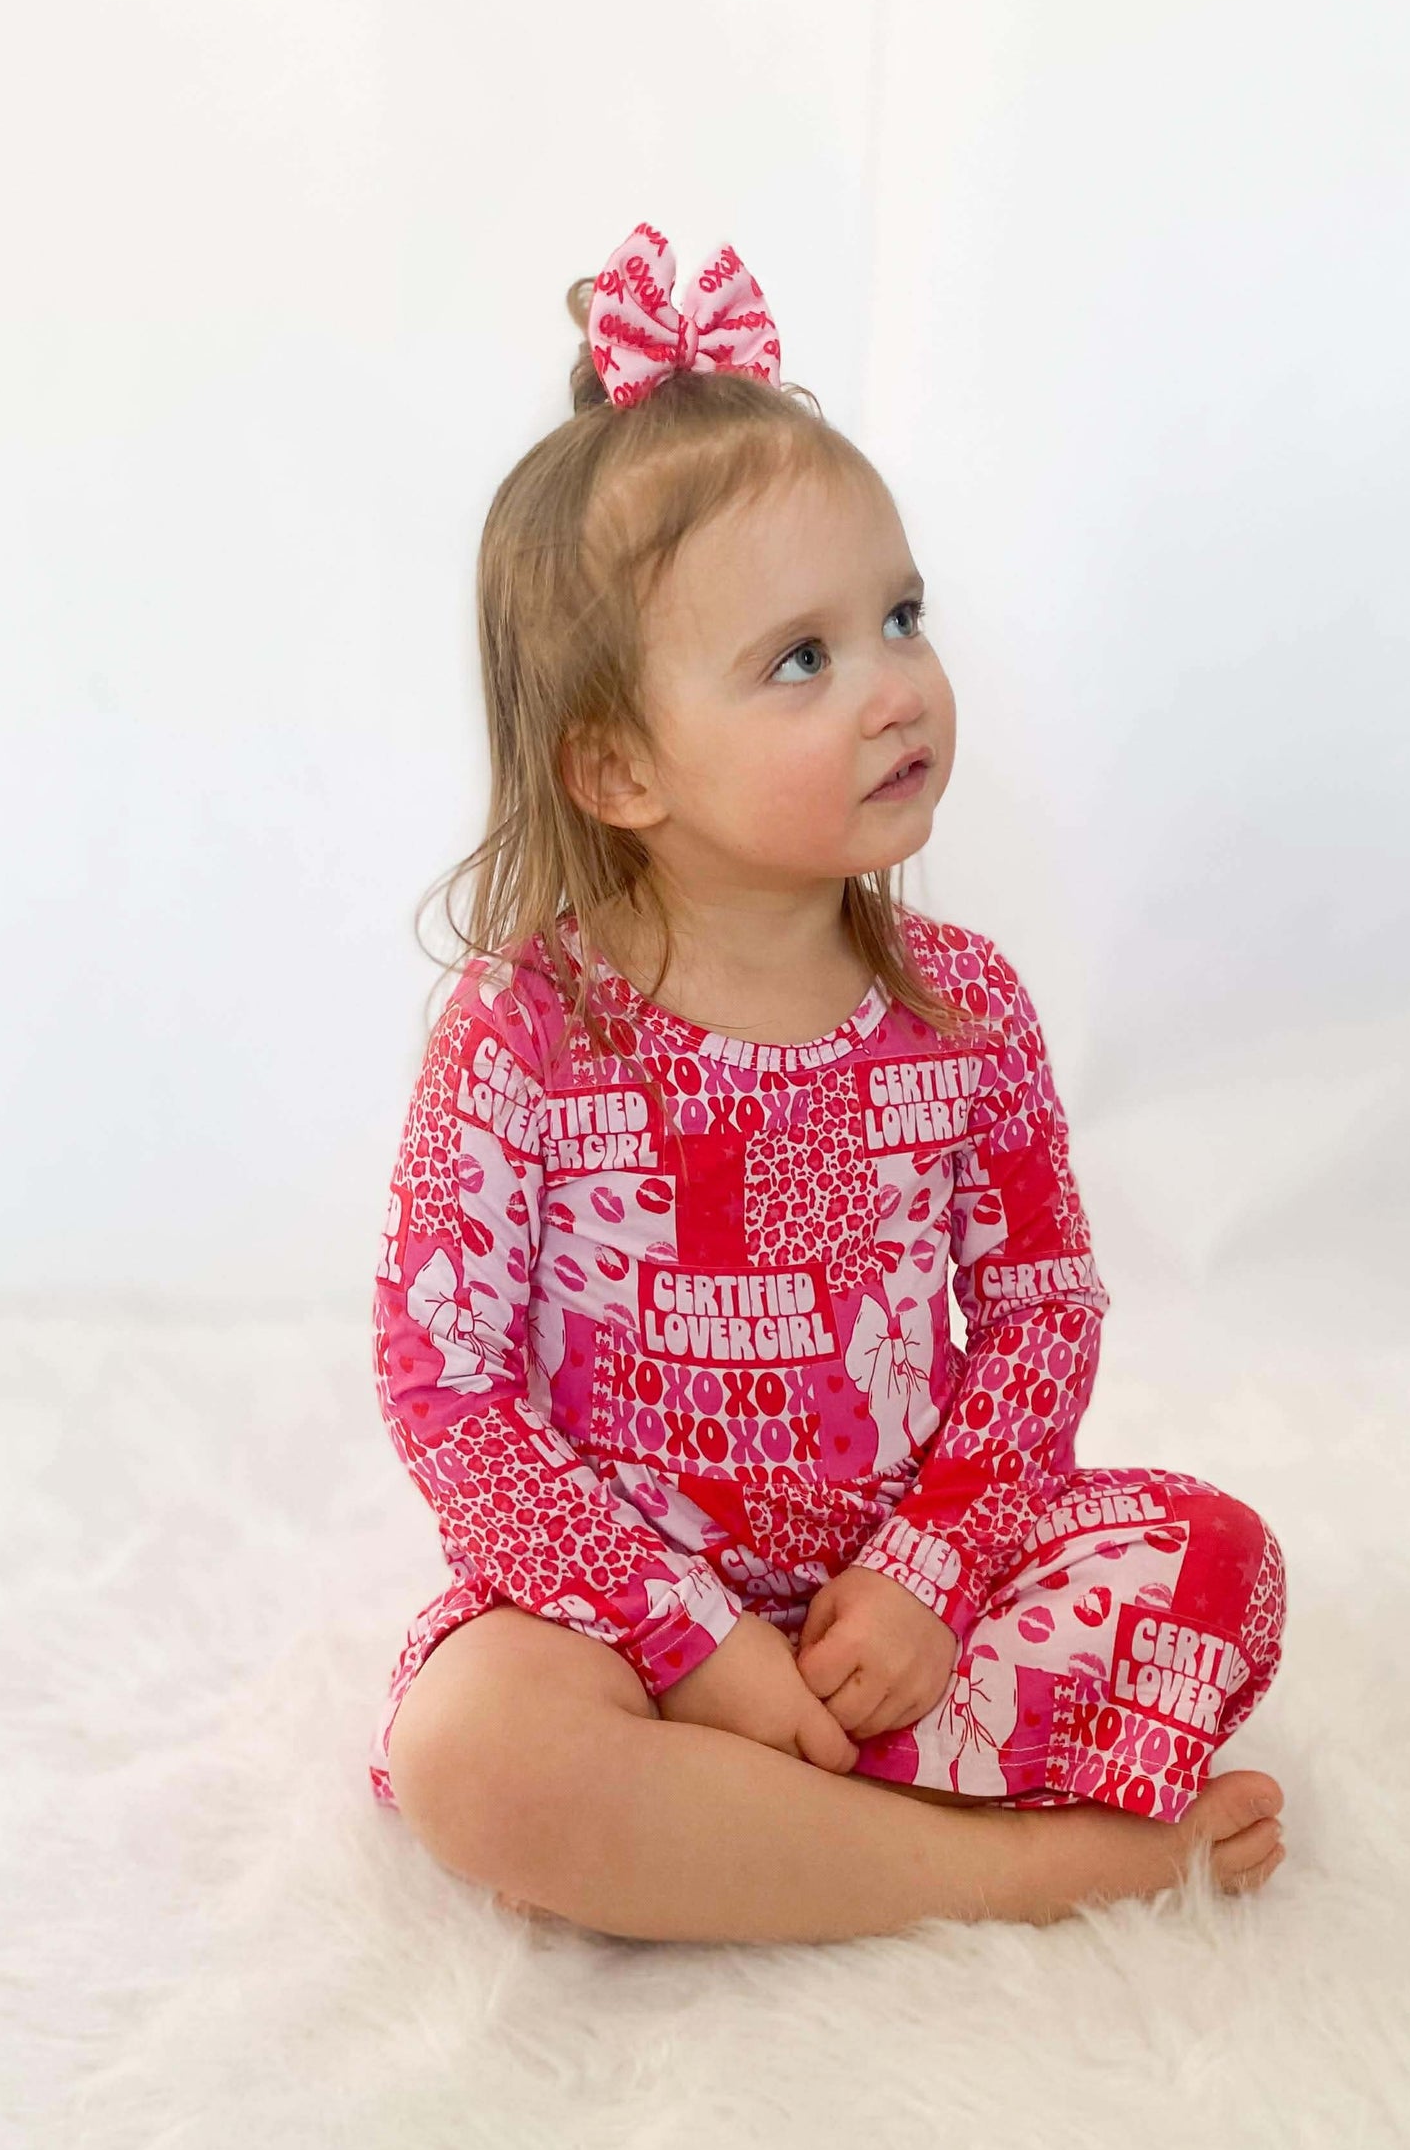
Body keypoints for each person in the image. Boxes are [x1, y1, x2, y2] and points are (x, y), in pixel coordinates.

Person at [370, 221, 1288, 1943]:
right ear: (616, 766)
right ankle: (1001, 1870)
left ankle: (762, 1829)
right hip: (622, 1634)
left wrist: (927, 1574)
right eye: (801, 659)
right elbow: (446, 1388)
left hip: (899, 1597)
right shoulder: (524, 1033)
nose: (893, 689)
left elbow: (1036, 1311)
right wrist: (687, 1643)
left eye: (899, 618)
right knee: (473, 1753)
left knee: (1216, 1558)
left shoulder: (964, 1008)